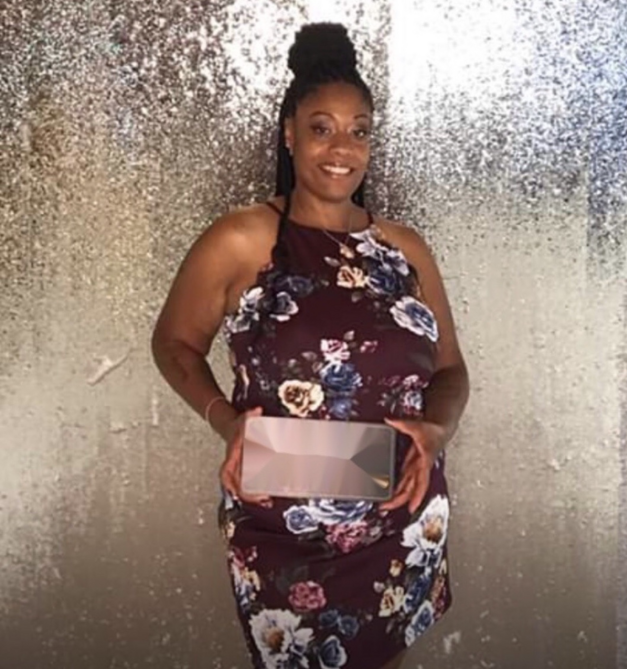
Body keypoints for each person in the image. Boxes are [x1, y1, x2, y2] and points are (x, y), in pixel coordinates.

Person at [152, 22, 469, 669]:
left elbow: (451, 371)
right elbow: (174, 343)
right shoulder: (243, 239)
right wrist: (227, 421)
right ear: (289, 134)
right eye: (322, 128)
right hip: (284, 520)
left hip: (399, 510)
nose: (342, 147)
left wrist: (437, 430)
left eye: (360, 131)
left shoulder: (405, 249)